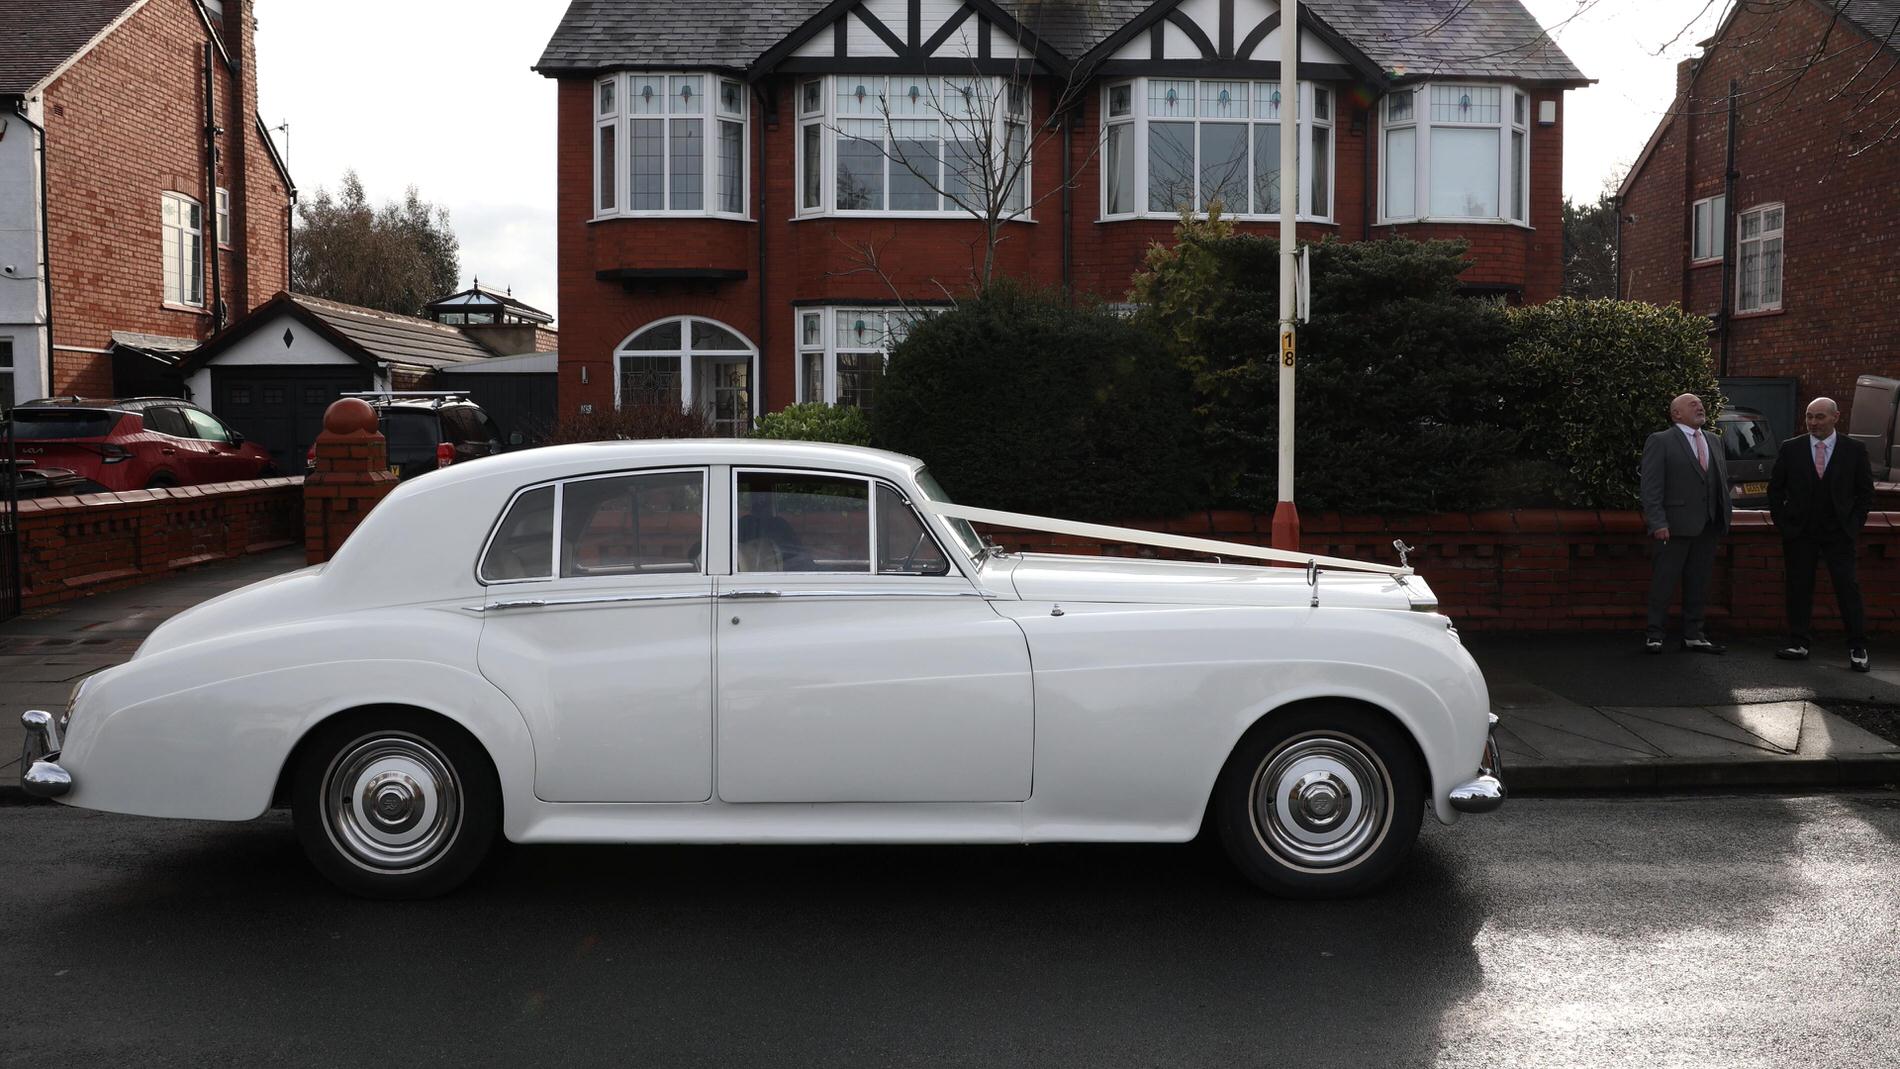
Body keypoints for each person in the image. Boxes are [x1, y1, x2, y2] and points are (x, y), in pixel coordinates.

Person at [1768, 397, 1874, 672]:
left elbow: (1865, 493)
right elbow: (1775, 489)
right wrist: (1784, 524)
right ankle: (1799, 642)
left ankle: (1857, 647)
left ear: (1836, 417)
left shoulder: (1854, 450)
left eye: (1820, 417)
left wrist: (1853, 525)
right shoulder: (1791, 449)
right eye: (1809, 416)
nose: (1813, 422)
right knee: (1799, 586)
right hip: (1800, 533)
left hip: (1839, 533)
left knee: (1847, 588)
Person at [1639, 392, 1731, 654]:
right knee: (1664, 582)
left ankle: (1694, 634)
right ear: (1676, 414)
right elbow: (1651, 487)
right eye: (1693, 405)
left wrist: (1724, 518)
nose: (1700, 407)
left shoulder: (1714, 440)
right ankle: (1655, 633)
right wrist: (1657, 522)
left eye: (1701, 405)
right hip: (1674, 525)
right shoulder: (1661, 441)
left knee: (1699, 583)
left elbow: (1719, 481)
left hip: (1708, 526)